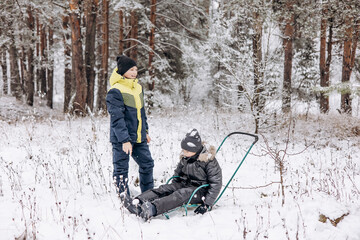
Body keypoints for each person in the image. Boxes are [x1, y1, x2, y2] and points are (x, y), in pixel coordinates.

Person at [122, 129, 222, 221]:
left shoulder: (209, 161)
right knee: (164, 189)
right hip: (184, 184)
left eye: (187, 151)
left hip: (200, 191)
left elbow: (216, 183)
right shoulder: (185, 158)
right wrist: (173, 187)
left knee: (180, 195)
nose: (184, 152)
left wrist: (207, 204)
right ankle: (138, 201)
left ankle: (151, 209)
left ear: (196, 149)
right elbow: (178, 173)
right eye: (183, 150)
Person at [106, 55, 154, 195]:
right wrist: (125, 140)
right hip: (122, 140)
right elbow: (117, 118)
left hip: (138, 137)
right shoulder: (115, 91)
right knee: (121, 170)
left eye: (135, 69)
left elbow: (142, 113)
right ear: (122, 71)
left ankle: (149, 194)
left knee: (147, 164)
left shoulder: (138, 88)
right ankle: (124, 198)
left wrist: (145, 131)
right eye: (131, 69)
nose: (134, 72)